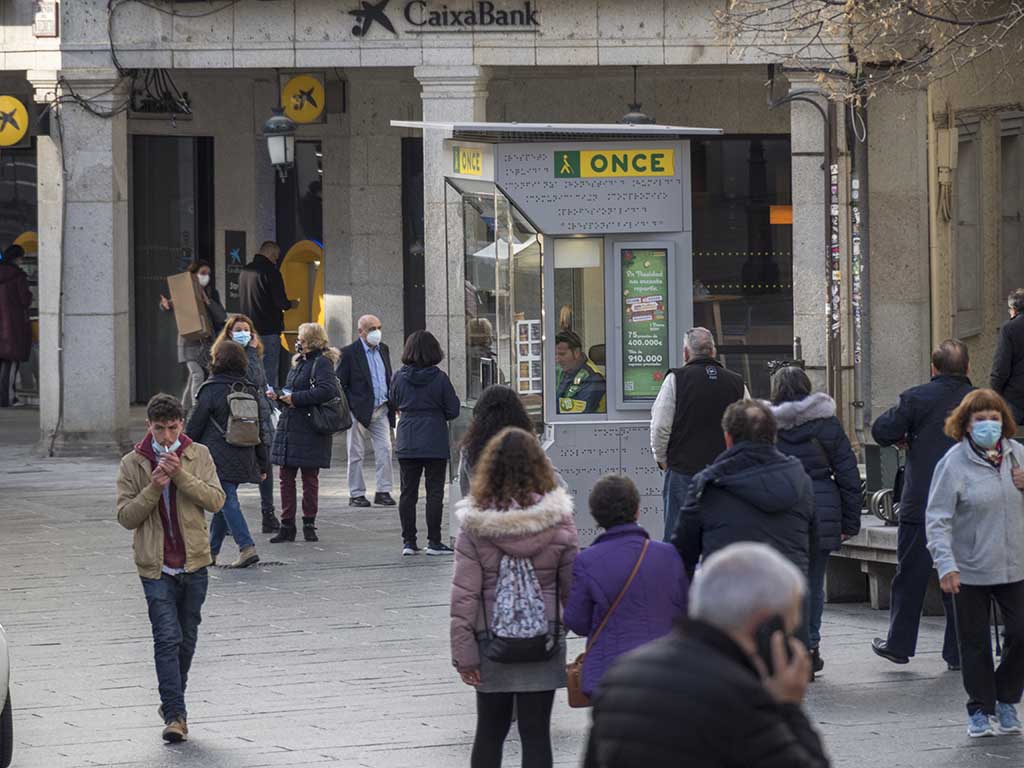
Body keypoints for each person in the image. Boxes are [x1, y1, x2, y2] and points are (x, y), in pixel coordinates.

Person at [583, 543, 829, 768]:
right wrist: (789, 706)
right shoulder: (742, 697)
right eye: (789, 629)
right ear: (766, 625)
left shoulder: (621, 674)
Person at [450, 427, 579, 768]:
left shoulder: (475, 526)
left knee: (489, 732)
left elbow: (464, 596)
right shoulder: (559, 521)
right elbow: (573, 589)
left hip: (491, 643)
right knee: (536, 734)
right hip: (544, 641)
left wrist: (464, 654)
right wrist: (565, 627)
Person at [115, 394, 226, 743]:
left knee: (186, 640)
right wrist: (154, 487)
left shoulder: (198, 454)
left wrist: (179, 476)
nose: (166, 437)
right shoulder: (133, 462)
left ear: (181, 425)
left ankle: (172, 701)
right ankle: (176, 715)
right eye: (160, 429)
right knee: (166, 638)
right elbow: (126, 517)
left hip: (194, 562)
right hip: (155, 565)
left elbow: (216, 500)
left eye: (173, 428)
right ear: (149, 425)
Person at [673, 399, 816, 644]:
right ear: (773, 436)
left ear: (728, 438)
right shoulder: (801, 481)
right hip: (788, 611)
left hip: (728, 616)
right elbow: (814, 545)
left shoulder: (707, 484)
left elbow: (683, 553)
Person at [926, 388, 1024, 738]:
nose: (988, 425)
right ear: (966, 425)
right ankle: (980, 708)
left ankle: (1006, 697)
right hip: (969, 568)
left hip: (1016, 565)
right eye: (980, 419)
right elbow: (937, 518)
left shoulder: (1018, 456)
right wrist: (945, 564)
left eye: (994, 418)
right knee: (974, 642)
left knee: (1020, 632)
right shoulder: (953, 463)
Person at [870, 339, 972, 670]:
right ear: (968, 367)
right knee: (960, 576)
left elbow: (881, 430)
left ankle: (899, 644)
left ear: (934, 368)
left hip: (923, 501)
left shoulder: (916, 398)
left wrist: (906, 437)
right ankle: (958, 651)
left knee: (910, 574)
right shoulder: (979, 401)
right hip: (966, 504)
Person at [770, 366, 862, 675]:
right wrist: (850, 522)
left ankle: (786, 646)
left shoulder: (766, 426)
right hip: (821, 508)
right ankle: (810, 645)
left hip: (780, 511)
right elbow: (848, 474)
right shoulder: (827, 423)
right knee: (812, 582)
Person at [563, 474, 689, 700]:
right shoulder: (668, 554)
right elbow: (684, 610)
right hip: (665, 670)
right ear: (637, 510)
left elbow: (577, 622)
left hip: (611, 675)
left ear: (595, 515)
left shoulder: (587, 561)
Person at [650, 327, 747, 541]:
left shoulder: (676, 379)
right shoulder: (737, 382)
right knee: (722, 540)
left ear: (686, 353)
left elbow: (660, 426)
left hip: (683, 471)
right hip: (725, 474)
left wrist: (663, 460)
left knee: (679, 539)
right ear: (714, 351)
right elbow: (749, 428)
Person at [186, 340, 269, 569]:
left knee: (226, 500)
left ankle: (246, 547)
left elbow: (194, 425)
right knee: (223, 500)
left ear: (216, 360)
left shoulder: (210, 389)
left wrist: (181, 449)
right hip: (245, 454)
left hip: (217, 455)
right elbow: (260, 429)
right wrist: (262, 463)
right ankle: (210, 552)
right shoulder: (249, 389)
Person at [389, 330, 461, 556]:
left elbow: (393, 401)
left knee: (407, 493)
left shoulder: (398, 377)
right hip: (434, 439)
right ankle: (434, 541)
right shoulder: (440, 378)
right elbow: (453, 410)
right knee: (434, 492)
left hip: (407, 438)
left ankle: (409, 542)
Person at [269, 322, 339, 543]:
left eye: (301, 339)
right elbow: (292, 390)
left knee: (309, 478)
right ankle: (287, 525)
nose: (297, 342)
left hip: (310, 428)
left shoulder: (322, 362)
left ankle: (309, 523)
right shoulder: (298, 362)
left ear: (311, 341)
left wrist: (296, 399)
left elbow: (327, 390)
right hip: (290, 426)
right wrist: (279, 396)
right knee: (285, 478)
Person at [213, 314, 281, 534]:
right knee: (231, 470)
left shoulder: (255, 354)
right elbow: (251, 378)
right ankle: (225, 518)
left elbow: (261, 381)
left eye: (246, 330)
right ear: (229, 333)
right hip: (237, 417)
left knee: (265, 466)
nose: (243, 333)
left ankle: (268, 513)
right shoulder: (226, 355)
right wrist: (250, 352)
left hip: (259, 415)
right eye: (238, 330)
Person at [337, 314, 397, 508]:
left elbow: (387, 376)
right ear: (360, 331)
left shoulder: (383, 349)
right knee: (355, 453)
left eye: (378, 327)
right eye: (371, 329)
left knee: (385, 450)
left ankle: (383, 491)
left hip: (381, 408)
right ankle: (356, 493)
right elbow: (340, 384)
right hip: (358, 411)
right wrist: (350, 407)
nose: (376, 332)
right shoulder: (348, 353)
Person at [159, 260, 227, 416]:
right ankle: (197, 409)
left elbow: (221, 316)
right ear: (194, 275)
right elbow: (172, 304)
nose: (206, 277)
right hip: (189, 343)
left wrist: (208, 302)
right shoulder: (185, 292)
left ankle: (183, 409)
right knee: (197, 375)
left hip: (207, 343)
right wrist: (165, 305)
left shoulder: (212, 293)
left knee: (194, 377)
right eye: (202, 273)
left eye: (208, 274)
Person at [238, 241, 297, 389]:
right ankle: (267, 402)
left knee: (250, 371)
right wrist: (292, 304)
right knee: (268, 374)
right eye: (276, 257)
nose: (276, 260)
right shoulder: (271, 272)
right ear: (271, 253)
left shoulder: (245, 271)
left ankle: (251, 400)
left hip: (247, 331)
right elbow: (280, 302)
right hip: (268, 331)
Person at [0, 244, 31, 408]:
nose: (22, 261)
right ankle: (8, 398)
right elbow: (25, 300)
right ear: (17, 258)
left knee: (2, 362)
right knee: (12, 362)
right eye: (21, 257)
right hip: (13, 326)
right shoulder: (18, 276)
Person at [991, 289, 1024, 424]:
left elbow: (1001, 367)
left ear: (1014, 309)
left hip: (1015, 399)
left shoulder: (1009, 328)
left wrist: (994, 392)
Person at [554, 330, 606, 414]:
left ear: (576, 352)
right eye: (555, 354)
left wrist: (547, 404)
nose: (557, 359)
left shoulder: (593, 377)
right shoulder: (565, 370)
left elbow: (580, 412)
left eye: (562, 354)